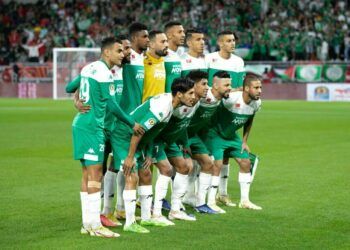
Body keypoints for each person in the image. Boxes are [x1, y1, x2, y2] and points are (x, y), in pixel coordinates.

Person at [66, 37, 143, 238]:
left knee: (87, 174)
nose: (122, 54)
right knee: (95, 175)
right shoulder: (103, 72)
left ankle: (87, 224)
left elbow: (70, 88)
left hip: (81, 124)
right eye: (119, 51)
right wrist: (131, 123)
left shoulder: (88, 68)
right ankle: (95, 225)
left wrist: (77, 100)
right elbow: (111, 105)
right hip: (92, 127)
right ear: (107, 52)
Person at [111, 78, 196, 233]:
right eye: (190, 93)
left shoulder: (171, 105)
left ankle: (146, 218)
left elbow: (152, 132)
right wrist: (130, 157)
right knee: (132, 175)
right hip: (125, 138)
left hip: (140, 142)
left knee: (146, 174)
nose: (193, 97)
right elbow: (139, 131)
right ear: (178, 94)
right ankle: (130, 223)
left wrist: (149, 153)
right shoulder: (162, 107)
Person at [152, 70, 209, 222]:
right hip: (157, 139)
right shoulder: (175, 104)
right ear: (192, 86)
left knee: (184, 167)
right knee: (165, 170)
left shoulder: (194, 103)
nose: (207, 87)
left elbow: (183, 125)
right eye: (203, 84)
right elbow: (160, 124)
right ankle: (156, 213)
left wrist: (184, 143)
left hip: (170, 141)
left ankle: (175, 210)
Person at [204, 74, 262, 210]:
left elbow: (249, 120)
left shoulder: (257, 103)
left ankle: (245, 201)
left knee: (246, 162)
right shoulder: (231, 99)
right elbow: (215, 102)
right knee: (217, 164)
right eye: (256, 87)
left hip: (231, 136)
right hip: (216, 133)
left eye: (260, 87)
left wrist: (244, 141)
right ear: (246, 88)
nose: (260, 90)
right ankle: (211, 202)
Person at [205, 31, 246, 207]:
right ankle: (202, 194)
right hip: (210, 109)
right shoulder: (209, 59)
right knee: (206, 154)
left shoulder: (238, 62)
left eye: (234, 41)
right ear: (220, 43)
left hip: (228, 112)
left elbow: (240, 87)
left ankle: (222, 193)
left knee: (226, 154)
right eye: (229, 41)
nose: (233, 43)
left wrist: (231, 92)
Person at [114, 23, 149, 221]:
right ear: (135, 38)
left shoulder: (142, 59)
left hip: (133, 118)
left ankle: (118, 207)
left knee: (120, 166)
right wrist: (78, 98)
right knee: (113, 166)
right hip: (120, 120)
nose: (147, 40)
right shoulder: (125, 60)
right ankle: (109, 209)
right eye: (145, 37)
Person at [185, 71, 231, 214]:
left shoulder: (217, 97)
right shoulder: (196, 100)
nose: (207, 87)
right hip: (180, 135)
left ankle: (200, 203)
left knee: (207, 163)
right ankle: (177, 203)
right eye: (204, 84)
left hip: (194, 136)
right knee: (183, 166)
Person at [142, 30, 168, 102]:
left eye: (166, 41)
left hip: (160, 109)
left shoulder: (163, 61)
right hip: (145, 110)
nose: (166, 45)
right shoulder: (142, 61)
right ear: (152, 44)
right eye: (163, 42)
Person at [164, 21, 185, 92]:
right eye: (179, 32)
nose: (183, 35)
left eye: (183, 32)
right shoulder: (162, 55)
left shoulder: (178, 55)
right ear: (169, 35)